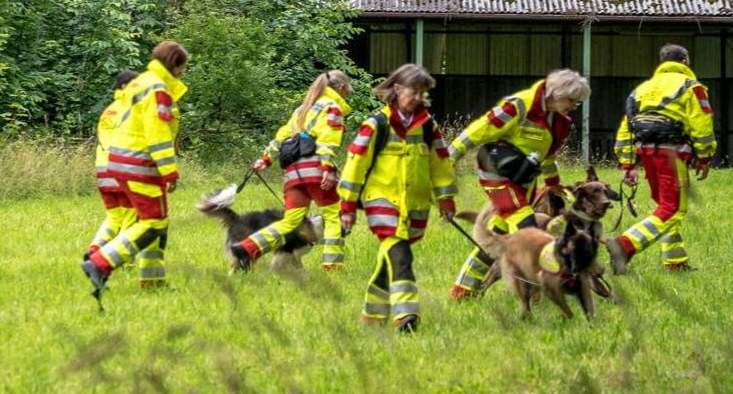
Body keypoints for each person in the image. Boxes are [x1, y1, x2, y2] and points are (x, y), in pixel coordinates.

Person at [446, 68, 591, 299]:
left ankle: (463, 289)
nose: (575, 106)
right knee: (527, 226)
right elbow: (478, 131)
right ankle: (539, 286)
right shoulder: (519, 106)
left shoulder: (559, 122)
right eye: (572, 101)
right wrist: (449, 158)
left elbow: (548, 157)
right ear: (557, 93)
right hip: (496, 173)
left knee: (496, 236)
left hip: (525, 179)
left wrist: (553, 184)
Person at [337, 64, 456, 332]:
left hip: (415, 204)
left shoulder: (428, 126)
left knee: (391, 257)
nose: (418, 98)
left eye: (422, 93)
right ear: (397, 89)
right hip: (381, 201)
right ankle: (406, 315)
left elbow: (441, 163)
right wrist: (347, 206)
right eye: (414, 91)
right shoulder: (375, 124)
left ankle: (372, 314)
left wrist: (446, 199)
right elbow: (355, 164)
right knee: (401, 256)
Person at [81, 41, 190, 298]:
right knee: (153, 222)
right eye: (184, 67)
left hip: (121, 160)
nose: (184, 72)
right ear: (175, 64)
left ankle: (153, 281)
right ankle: (100, 263)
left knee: (153, 221)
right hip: (142, 163)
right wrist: (169, 171)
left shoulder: (139, 82)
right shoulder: (157, 89)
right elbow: (157, 134)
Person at [230, 70, 353, 273]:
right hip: (315, 171)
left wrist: (265, 159)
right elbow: (327, 139)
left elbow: (282, 136)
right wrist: (327, 168)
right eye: (348, 91)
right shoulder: (332, 108)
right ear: (341, 88)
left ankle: (245, 248)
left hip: (293, 174)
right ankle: (333, 266)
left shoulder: (301, 110)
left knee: (290, 222)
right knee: (333, 216)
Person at [608, 44, 717, 274]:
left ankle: (675, 262)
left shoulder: (642, 90)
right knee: (673, 208)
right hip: (671, 151)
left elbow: (626, 128)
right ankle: (625, 244)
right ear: (685, 62)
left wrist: (627, 164)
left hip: (646, 152)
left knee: (665, 206)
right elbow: (702, 123)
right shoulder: (691, 86)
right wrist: (705, 156)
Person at [88, 69, 141, 259]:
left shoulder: (109, 110)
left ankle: (94, 250)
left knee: (114, 217)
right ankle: (124, 259)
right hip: (121, 168)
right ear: (126, 86)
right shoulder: (130, 110)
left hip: (103, 168)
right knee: (130, 217)